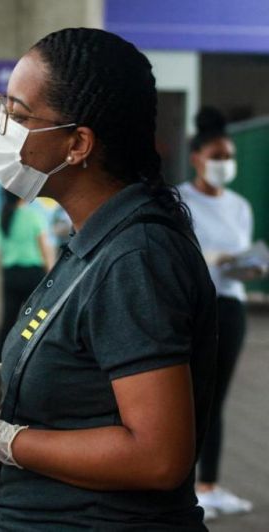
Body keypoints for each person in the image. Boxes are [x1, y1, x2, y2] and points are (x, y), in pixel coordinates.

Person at [0, 28, 217, 530]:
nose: (2, 127)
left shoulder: (133, 257)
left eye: (20, 114)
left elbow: (158, 456)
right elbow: (92, 377)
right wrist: (1, 380)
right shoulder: (95, 240)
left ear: (77, 144)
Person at [179, 107, 262, 520]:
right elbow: (177, 257)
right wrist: (211, 256)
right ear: (196, 157)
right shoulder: (179, 200)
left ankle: (207, 484)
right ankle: (182, 486)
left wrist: (251, 264)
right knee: (189, 397)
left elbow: (240, 258)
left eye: (229, 157)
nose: (225, 164)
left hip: (231, 307)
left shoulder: (241, 206)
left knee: (216, 399)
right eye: (217, 156)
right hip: (193, 307)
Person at [0, 189, 53, 361]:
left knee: (7, 322)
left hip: (10, 277)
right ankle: (30, 358)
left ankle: (0, 361)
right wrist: (51, 274)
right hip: (34, 276)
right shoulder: (33, 217)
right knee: (35, 320)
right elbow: (45, 250)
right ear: (21, 196)